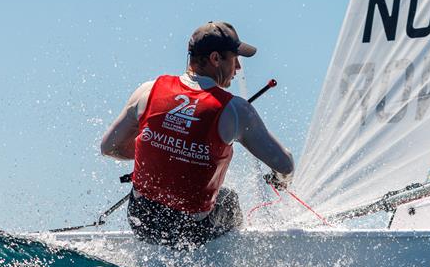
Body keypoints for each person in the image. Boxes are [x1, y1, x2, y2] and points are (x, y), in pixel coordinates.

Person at [101, 21, 294, 247]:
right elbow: (285, 164)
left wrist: (162, 150)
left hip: (141, 220)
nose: (238, 68)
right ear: (215, 59)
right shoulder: (235, 109)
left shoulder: (148, 90)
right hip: (190, 231)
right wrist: (281, 181)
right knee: (229, 199)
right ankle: (232, 258)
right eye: (235, 58)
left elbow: (109, 147)